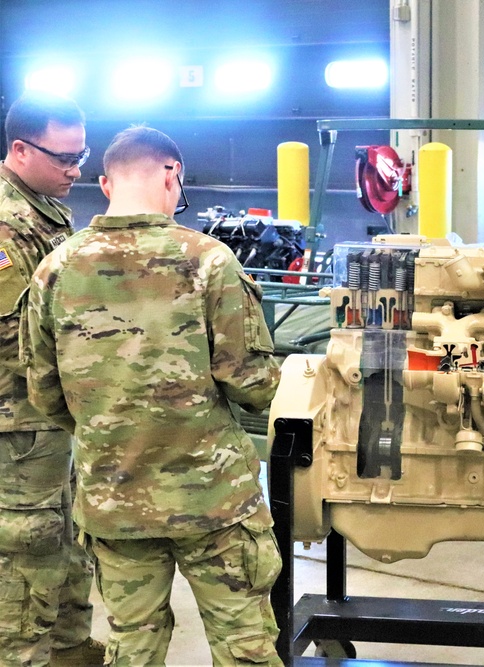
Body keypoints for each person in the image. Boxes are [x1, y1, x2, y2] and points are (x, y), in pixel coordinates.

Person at [23, 125, 283, 666]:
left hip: (114, 499)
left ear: (105, 182)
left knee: (132, 646)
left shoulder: (54, 269)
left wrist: (110, 428)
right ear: (172, 174)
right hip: (214, 500)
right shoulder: (209, 261)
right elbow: (251, 383)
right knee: (244, 647)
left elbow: (45, 392)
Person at [0, 92, 105, 666]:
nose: (76, 168)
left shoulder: (40, 207)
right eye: (63, 157)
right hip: (18, 421)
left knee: (67, 539)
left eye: (81, 155)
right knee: (27, 550)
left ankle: (68, 649)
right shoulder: (5, 220)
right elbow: (17, 337)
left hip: (49, 417)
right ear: (19, 149)